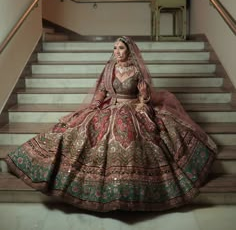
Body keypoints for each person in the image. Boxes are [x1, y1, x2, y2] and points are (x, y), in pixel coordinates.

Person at [6, 36, 217, 212]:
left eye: (121, 48)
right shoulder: (108, 69)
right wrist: (95, 106)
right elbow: (102, 92)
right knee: (80, 130)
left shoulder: (137, 71)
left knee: (146, 136)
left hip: (133, 108)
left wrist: (142, 104)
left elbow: (145, 95)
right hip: (111, 108)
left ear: (130, 51)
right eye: (115, 48)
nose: (117, 51)